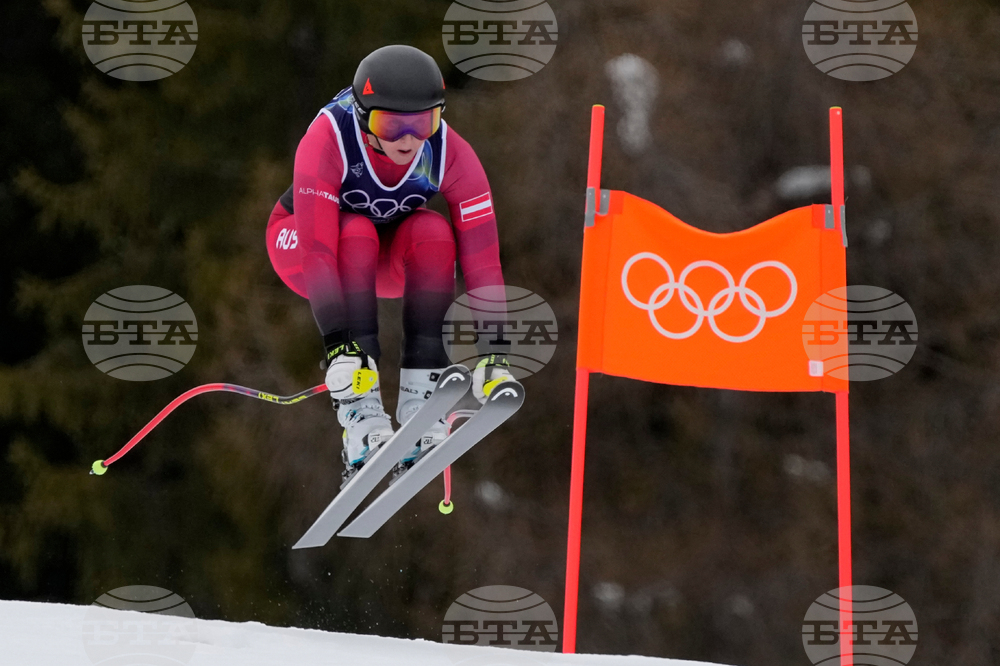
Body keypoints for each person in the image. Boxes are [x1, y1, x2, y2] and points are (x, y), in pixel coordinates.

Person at [266, 45, 512, 485]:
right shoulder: (329, 137)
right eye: (392, 125)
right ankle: (360, 418)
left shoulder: (447, 153)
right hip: (304, 247)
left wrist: (495, 351)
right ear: (364, 119)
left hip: (381, 263)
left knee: (434, 232)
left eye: (423, 123)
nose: (409, 140)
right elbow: (318, 252)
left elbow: (483, 260)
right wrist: (339, 347)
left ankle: (423, 400)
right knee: (355, 231)